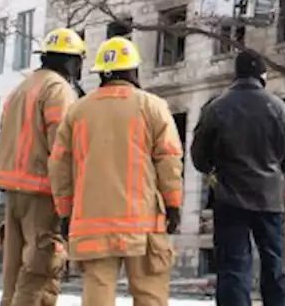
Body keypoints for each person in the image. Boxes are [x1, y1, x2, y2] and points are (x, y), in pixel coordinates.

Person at [49, 35, 184, 306]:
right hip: (143, 223)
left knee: (97, 292)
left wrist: (65, 212)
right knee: (149, 293)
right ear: (134, 70)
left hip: (92, 223)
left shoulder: (77, 111)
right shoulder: (152, 106)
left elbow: (59, 166)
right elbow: (169, 159)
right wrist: (173, 205)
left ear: (100, 73)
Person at [191, 49, 285, 306]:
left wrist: (216, 171)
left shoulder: (215, 108)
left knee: (233, 269)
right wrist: (270, 172)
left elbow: (199, 157)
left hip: (230, 199)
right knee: (273, 266)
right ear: (263, 75)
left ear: (235, 75)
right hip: (269, 200)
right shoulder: (280, 109)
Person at [0, 27, 87, 306]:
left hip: (15, 191)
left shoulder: (22, 88)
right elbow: (63, 148)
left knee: (15, 271)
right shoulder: (58, 90)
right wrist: (71, 195)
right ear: (70, 60)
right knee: (40, 267)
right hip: (43, 191)